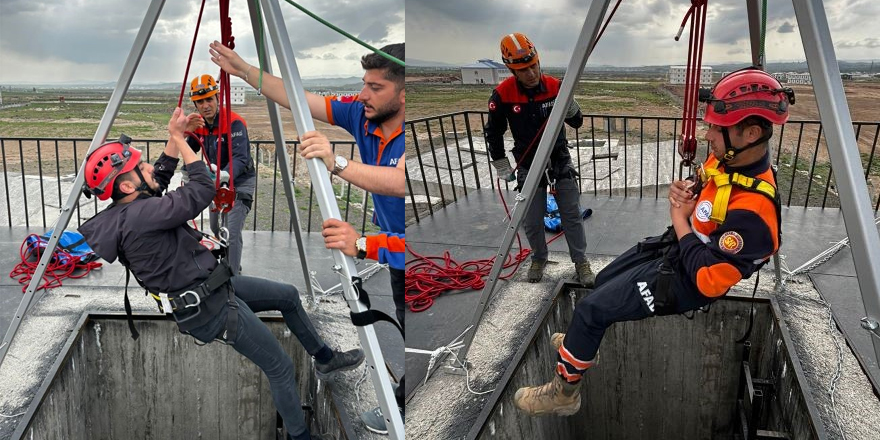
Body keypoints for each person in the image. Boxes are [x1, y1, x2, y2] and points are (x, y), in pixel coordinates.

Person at [513, 68, 792, 416]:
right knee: (602, 282)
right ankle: (582, 346)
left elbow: (708, 281)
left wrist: (680, 219)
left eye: (717, 129)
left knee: (590, 311)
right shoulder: (729, 160)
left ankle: (564, 393)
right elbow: (706, 180)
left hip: (688, 280)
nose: (708, 135)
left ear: (750, 133)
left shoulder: (754, 212)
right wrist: (687, 188)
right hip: (679, 251)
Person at [79, 108, 364, 440]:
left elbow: (160, 175)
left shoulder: (131, 207)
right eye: (139, 167)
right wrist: (182, 142)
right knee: (280, 367)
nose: (149, 168)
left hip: (213, 289)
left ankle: (325, 358)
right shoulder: (142, 216)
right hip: (207, 308)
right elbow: (202, 187)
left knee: (287, 295)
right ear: (127, 184)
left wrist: (176, 139)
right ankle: (300, 438)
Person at [209, 41, 406, 434]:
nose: (363, 94)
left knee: (404, 325)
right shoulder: (362, 115)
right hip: (395, 248)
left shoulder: (404, 134)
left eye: (376, 87)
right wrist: (245, 70)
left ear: (404, 94)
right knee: (402, 319)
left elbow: (401, 181)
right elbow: (302, 100)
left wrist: (338, 168)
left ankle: (398, 408)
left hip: (403, 248)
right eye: (363, 84)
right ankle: (396, 402)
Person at [485, 32, 594, 286]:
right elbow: (494, 132)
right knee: (531, 218)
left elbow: (577, 122)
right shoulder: (503, 94)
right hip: (528, 163)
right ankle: (539, 257)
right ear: (511, 70)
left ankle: (581, 262)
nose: (531, 74)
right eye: (524, 70)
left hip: (559, 160)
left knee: (571, 214)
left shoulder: (557, 88)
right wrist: (501, 165)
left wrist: (568, 101)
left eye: (533, 66)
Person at [185, 73, 256, 275]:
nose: (205, 105)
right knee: (217, 229)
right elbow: (188, 149)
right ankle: (229, 265)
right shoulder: (199, 125)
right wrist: (184, 132)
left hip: (240, 181)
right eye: (200, 102)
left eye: (209, 99)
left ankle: (233, 278)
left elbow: (241, 158)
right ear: (195, 105)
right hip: (216, 181)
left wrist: (222, 175)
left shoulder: (233, 122)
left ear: (217, 99)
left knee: (231, 232)